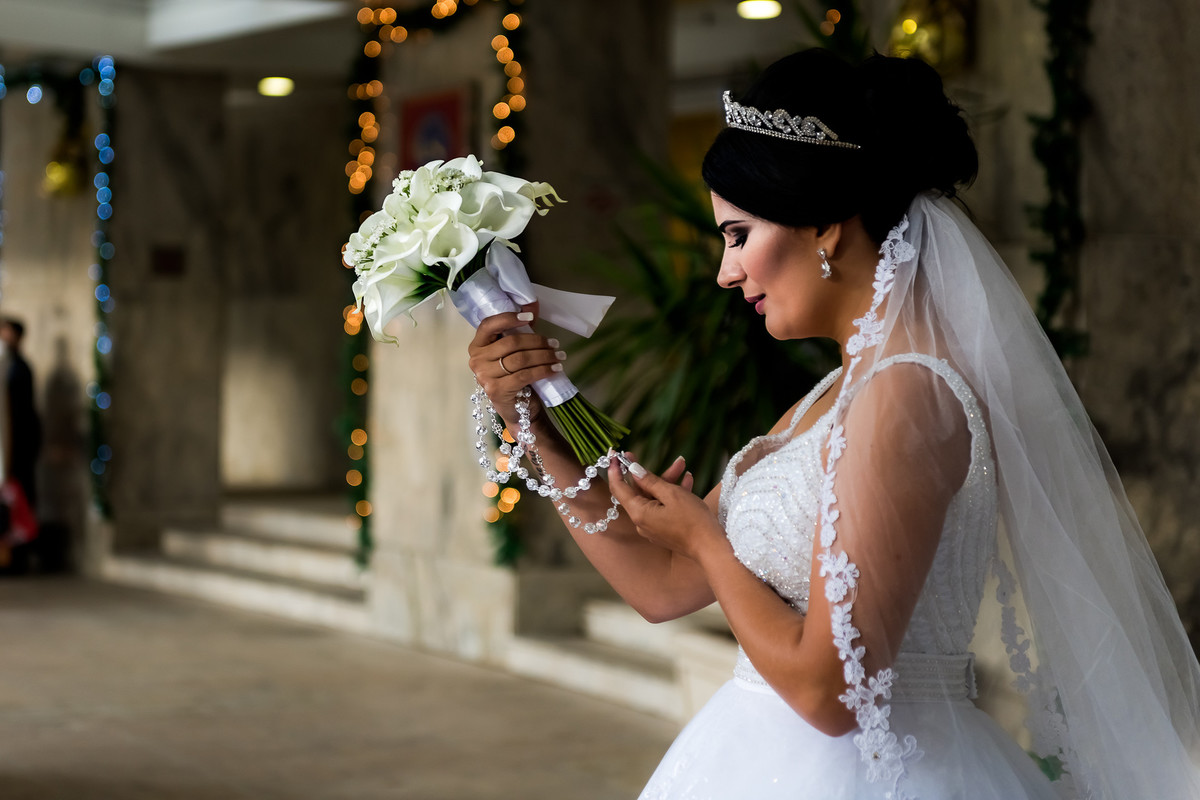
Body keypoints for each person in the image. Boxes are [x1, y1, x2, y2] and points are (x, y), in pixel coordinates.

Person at [467, 49, 1200, 798]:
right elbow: (662, 585)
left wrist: (707, 541)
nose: (726, 272)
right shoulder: (837, 393)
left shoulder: (908, 394)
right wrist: (529, 420)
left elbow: (832, 696)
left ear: (823, 225)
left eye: (738, 234)